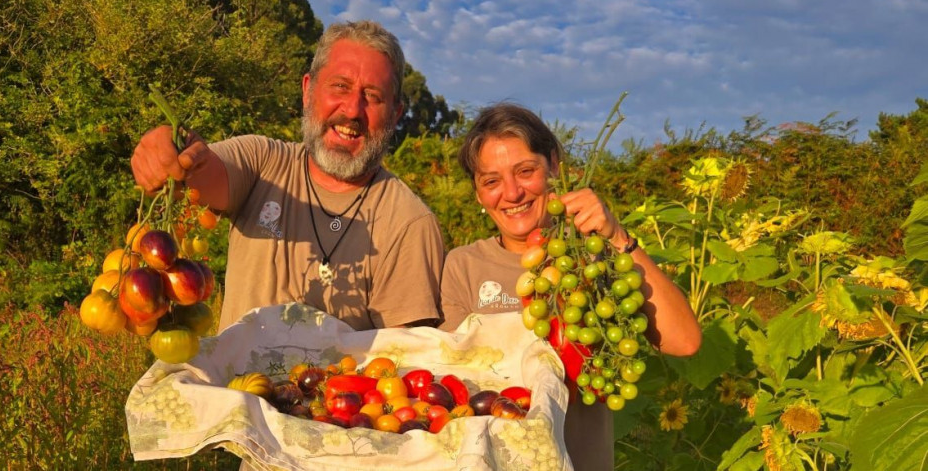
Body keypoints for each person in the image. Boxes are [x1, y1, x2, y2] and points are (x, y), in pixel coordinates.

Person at [130, 21, 444, 332]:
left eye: (373, 96)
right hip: (232, 383)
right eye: (340, 86)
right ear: (308, 90)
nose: (352, 110)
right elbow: (202, 170)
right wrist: (171, 146)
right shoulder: (262, 163)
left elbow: (401, 361)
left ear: (395, 114)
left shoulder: (408, 224)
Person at [439, 103, 702, 470]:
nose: (512, 193)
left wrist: (617, 236)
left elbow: (685, 341)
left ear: (554, 166)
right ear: (479, 193)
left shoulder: (598, 255)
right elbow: (459, 388)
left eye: (526, 171)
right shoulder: (462, 266)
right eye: (492, 181)